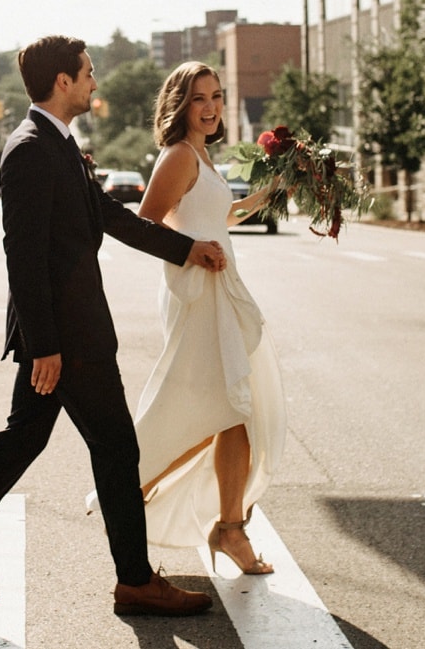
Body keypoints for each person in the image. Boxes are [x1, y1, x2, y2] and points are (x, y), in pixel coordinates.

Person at [0, 35, 227, 618]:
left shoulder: (57, 143)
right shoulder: (31, 149)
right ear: (62, 82)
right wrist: (46, 347)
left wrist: (187, 249)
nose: (94, 81)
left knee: (23, 439)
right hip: (66, 339)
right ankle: (134, 580)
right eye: (87, 73)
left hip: (64, 334)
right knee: (115, 446)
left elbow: (106, 216)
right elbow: (23, 255)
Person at [131, 60, 284, 576]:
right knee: (211, 411)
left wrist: (272, 192)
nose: (212, 106)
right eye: (200, 98)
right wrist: (192, 250)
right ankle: (129, 492)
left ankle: (229, 528)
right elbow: (146, 225)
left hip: (220, 288)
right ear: (181, 104)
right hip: (196, 294)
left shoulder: (203, 156)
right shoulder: (177, 155)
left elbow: (221, 216)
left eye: (217, 96)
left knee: (233, 410)